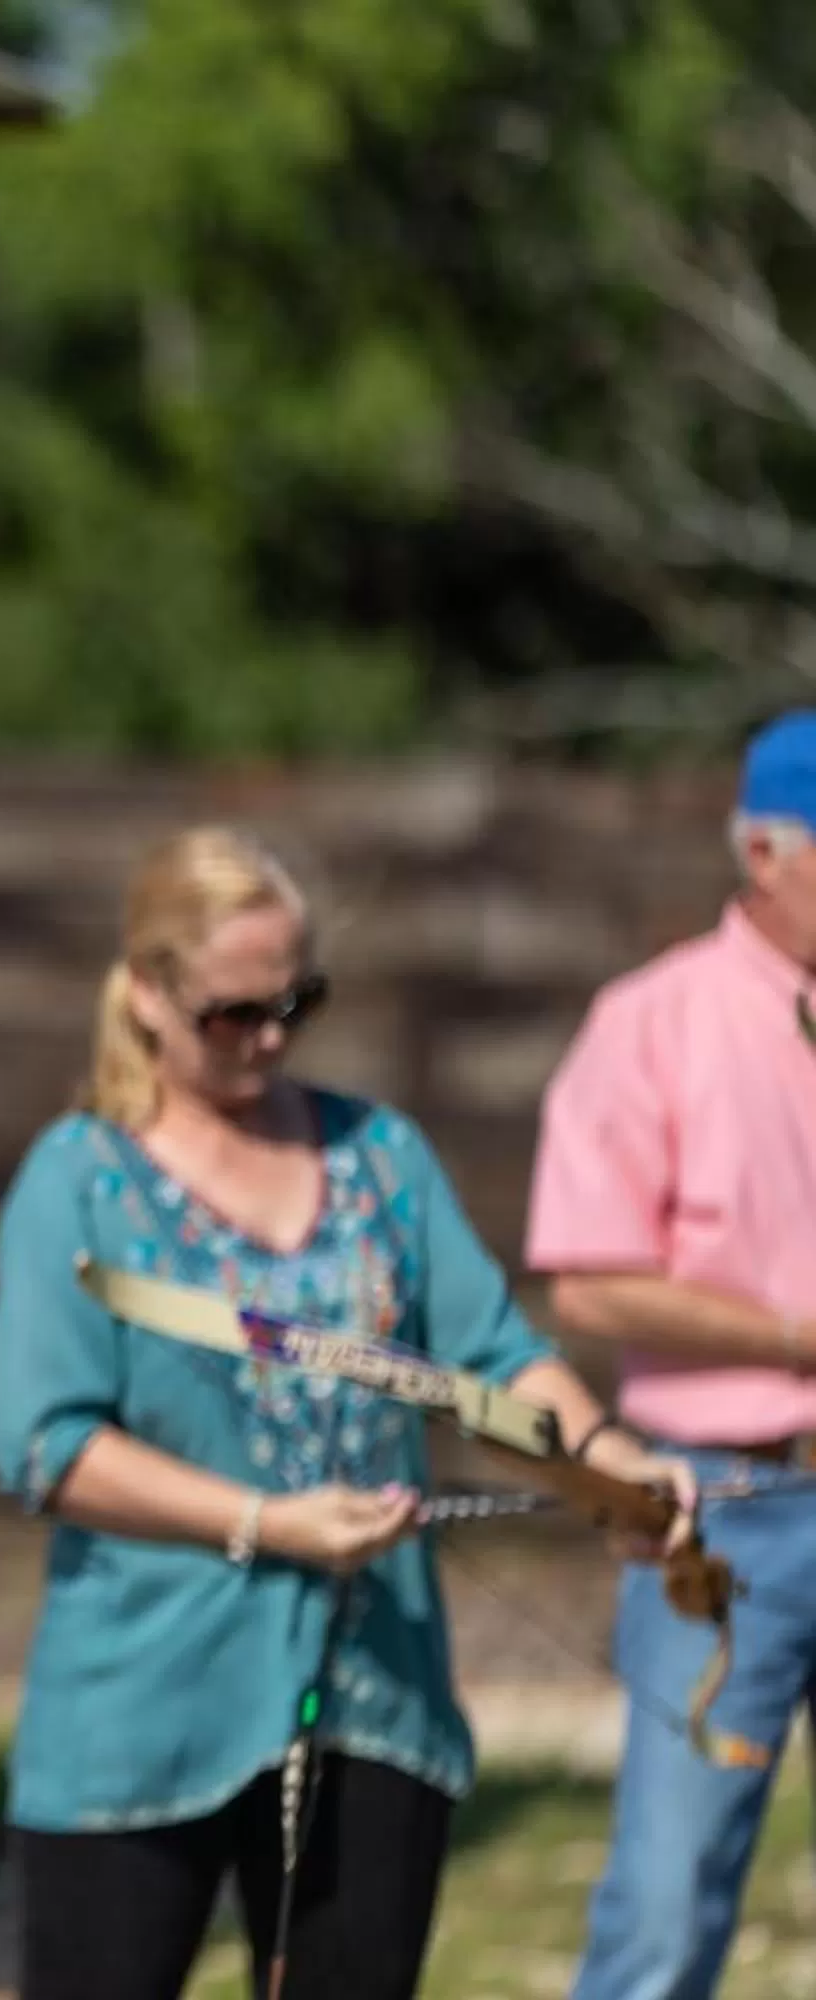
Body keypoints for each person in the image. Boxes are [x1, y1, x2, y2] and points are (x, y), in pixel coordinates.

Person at [0, 825, 692, 2000]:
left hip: (375, 1690)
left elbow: (497, 1362)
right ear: (151, 994)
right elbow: (45, 1444)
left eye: (295, 1000)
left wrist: (619, 1470)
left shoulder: (381, 1157)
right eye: (233, 1011)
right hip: (134, 1704)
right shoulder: (77, 1176)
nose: (269, 1036)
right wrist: (267, 1520)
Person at [532, 709, 816, 2000]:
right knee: (665, 1903)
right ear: (767, 851)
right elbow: (585, 1278)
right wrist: (794, 1339)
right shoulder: (651, 1021)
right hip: (724, 1504)